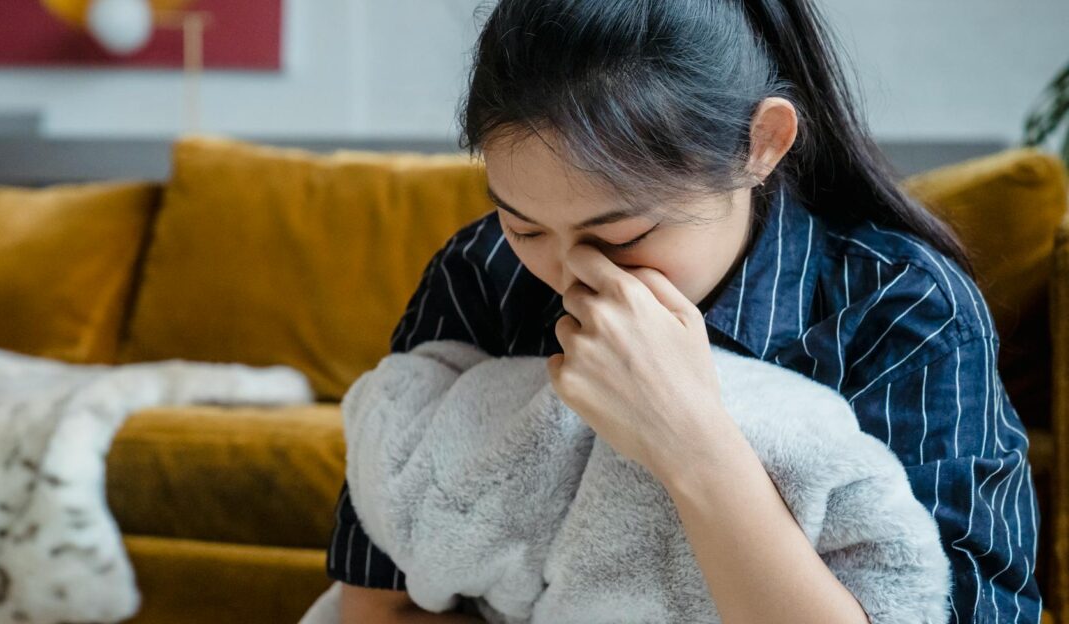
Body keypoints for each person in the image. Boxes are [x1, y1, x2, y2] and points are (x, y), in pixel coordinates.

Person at [326, 0, 1041, 622]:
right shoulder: (480, 274)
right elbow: (377, 603)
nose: (571, 276)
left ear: (762, 144)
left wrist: (689, 442)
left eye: (621, 236)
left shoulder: (902, 309)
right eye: (525, 227)